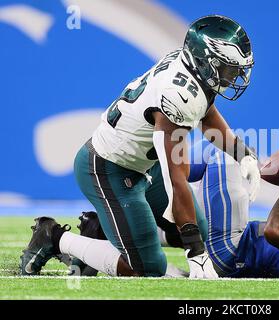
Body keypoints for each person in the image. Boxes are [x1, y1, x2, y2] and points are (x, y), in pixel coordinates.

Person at [19, 15, 260, 279]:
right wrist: (197, 255)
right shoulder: (177, 98)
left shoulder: (192, 70)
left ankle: (106, 230)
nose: (235, 75)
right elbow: (176, 182)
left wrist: (242, 154)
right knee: (148, 267)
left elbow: (207, 112)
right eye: (228, 68)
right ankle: (53, 237)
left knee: (195, 230)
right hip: (108, 169)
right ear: (205, 60)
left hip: (142, 164)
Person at [53, 140, 279, 279]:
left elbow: (276, 232)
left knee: (223, 156)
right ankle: (59, 238)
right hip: (234, 257)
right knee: (150, 270)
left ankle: (149, 169)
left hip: (233, 252)